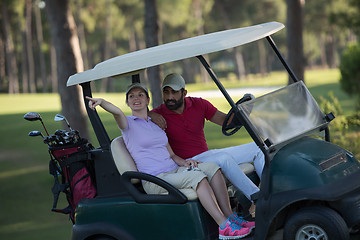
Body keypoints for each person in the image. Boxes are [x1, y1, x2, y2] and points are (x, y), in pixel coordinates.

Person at [86, 83, 254, 239]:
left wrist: (186, 163)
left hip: (173, 171)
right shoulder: (127, 125)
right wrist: (102, 102)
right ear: (127, 102)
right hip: (155, 179)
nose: (136, 99)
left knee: (212, 168)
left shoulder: (155, 125)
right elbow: (117, 112)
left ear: (148, 100)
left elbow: (172, 155)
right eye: (131, 96)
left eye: (140, 95)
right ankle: (223, 226)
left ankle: (230, 217)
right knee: (197, 178)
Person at [149, 73, 265, 203]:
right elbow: (133, 121)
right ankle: (259, 199)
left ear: (184, 92)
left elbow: (226, 122)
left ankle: (269, 191)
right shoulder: (157, 115)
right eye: (166, 92)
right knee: (223, 158)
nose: (170, 97)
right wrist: (149, 114)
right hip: (187, 163)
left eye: (174, 92)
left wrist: (244, 109)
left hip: (207, 155)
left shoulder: (199, 104)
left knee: (258, 148)